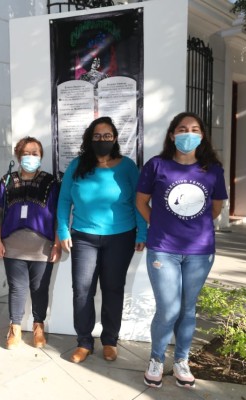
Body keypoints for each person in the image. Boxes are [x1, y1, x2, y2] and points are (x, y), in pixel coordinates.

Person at [137, 112, 228, 389]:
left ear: (202, 136)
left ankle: (181, 361)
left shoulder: (212, 169)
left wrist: (191, 227)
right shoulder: (157, 165)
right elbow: (141, 202)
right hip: (163, 249)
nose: (188, 134)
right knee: (168, 309)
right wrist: (161, 225)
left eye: (195, 129)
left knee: (188, 309)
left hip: (200, 251)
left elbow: (216, 207)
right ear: (172, 134)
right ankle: (155, 359)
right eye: (182, 129)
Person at [57, 116, 146, 363]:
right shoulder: (77, 165)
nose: (102, 140)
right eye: (97, 136)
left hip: (121, 237)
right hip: (84, 236)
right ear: (89, 138)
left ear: (115, 138)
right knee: (82, 290)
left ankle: (109, 340)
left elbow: (139, 203)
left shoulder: (127, 166)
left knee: (113, 288)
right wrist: (63, 231)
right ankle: (84, 341)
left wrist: (142, 232)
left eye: (107, 136)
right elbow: (64, 201)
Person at [0, 137, 61, 349]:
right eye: (27, 152)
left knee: (40, 288)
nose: (31, 157)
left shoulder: (51, 183)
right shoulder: (6, 181)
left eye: (35, 153)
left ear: (40, 157)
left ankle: (38, 326)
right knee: (16, 288)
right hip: (12, 246)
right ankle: (15, 328)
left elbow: (60, 214)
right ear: (18, 155)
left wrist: (57, 243)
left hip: (42, 248)